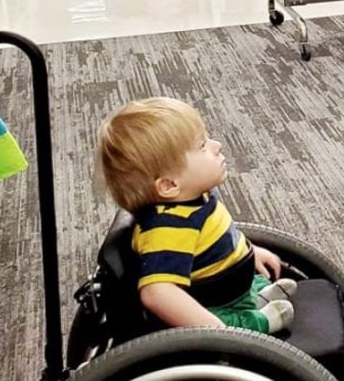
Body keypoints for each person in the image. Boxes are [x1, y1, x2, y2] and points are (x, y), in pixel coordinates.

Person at [96, 97, 297, 333]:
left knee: (256, 280)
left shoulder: (195, 199)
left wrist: (250, 252)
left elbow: (219, 238)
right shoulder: (170, 228)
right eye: (202, 145)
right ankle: (257, 321)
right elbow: (157, 293)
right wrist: (216, 331)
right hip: (215, 305)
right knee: (231, 322)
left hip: (231, 283)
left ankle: (254, 298)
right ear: (169, 185)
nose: (217, 145)